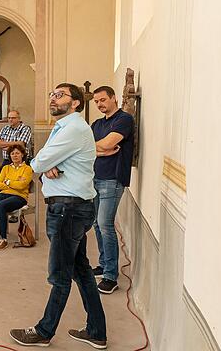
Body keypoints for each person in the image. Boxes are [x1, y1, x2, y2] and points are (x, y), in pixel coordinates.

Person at [9, 83, 106, 349]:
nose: (53, 98)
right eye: (52, 94)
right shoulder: (65, 127)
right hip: (73, 207)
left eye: (60, 95)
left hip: (68, 210)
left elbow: (37, 163)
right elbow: (43, 161)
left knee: (60, 275)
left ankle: (43, 331)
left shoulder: (73, 128)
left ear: (75, 103)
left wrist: (46, 164)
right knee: (81, 270)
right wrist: (50, 163)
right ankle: (97, 331)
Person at [91, 85, 135, 295]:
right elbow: (88, 148)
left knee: (105, 224)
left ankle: (110, 276)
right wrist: (99, 151)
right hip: (95, 178)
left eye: (102, 100)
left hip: (113, 179)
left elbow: (110, 144)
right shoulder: (97, 123)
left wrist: (100, 148)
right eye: (96, 101)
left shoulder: (124, 120)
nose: (99, 104)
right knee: (96, 225)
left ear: (114, 98)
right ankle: (103, 264)